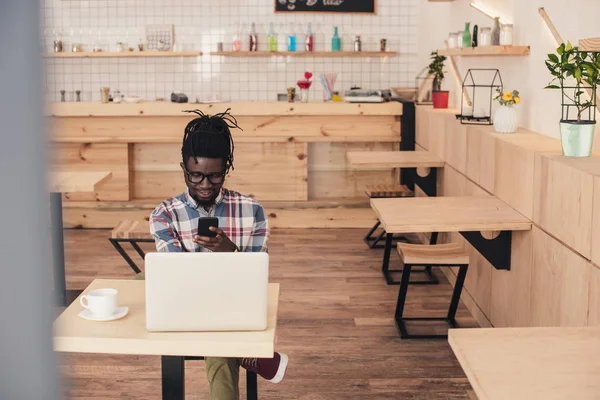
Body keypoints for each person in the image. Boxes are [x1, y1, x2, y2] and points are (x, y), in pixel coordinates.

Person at [148, 109, 288, 400]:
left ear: (227, 168)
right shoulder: (164, 215)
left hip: (233, 306)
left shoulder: (253, 210)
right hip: (186, 306)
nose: (204, 185)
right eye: (195, 175)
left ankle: (238, 351)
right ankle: (245, 354)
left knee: (217, 342)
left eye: (215, 176)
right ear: (183, 168)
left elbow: (255, 279)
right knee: (146, 278)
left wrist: (230, 252)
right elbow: (175, 279)